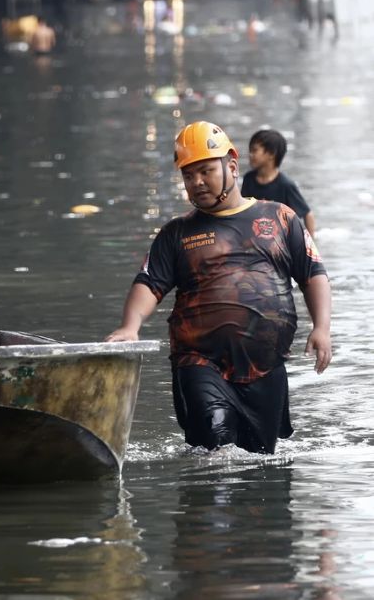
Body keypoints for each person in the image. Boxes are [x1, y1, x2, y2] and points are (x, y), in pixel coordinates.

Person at [105, 121, 332, 454]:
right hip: (200, 361)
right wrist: (130, 326)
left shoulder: (281, 218)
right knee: (216, 446)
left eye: (206, 171)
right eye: (188, 175)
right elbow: (149, 282)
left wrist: (322, 327)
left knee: (260, 463)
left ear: (232, 166)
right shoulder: (177, 233)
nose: (196, 183)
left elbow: (313, 274)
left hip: (265, 366)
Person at [241, 128, 316, 237]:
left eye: (254, 150)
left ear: (271, 154)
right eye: (250, 151)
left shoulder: (286, 185)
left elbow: (308, 214)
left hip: (280, 240)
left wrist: (310, 246)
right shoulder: (248, 179)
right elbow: (242, 209)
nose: (250, 154)